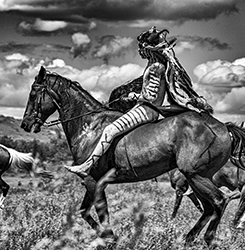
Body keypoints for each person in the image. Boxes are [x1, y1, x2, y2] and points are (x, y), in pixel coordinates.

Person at [65, 26, 212, 176]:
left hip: (146, 110)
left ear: (148, 48)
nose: (140, 50)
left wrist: (133, 96)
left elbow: (151, 96)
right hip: (145, 108)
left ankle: (86, 166)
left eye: (141, 47)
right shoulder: (155, 65)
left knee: (109, 130)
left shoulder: (156, 67)